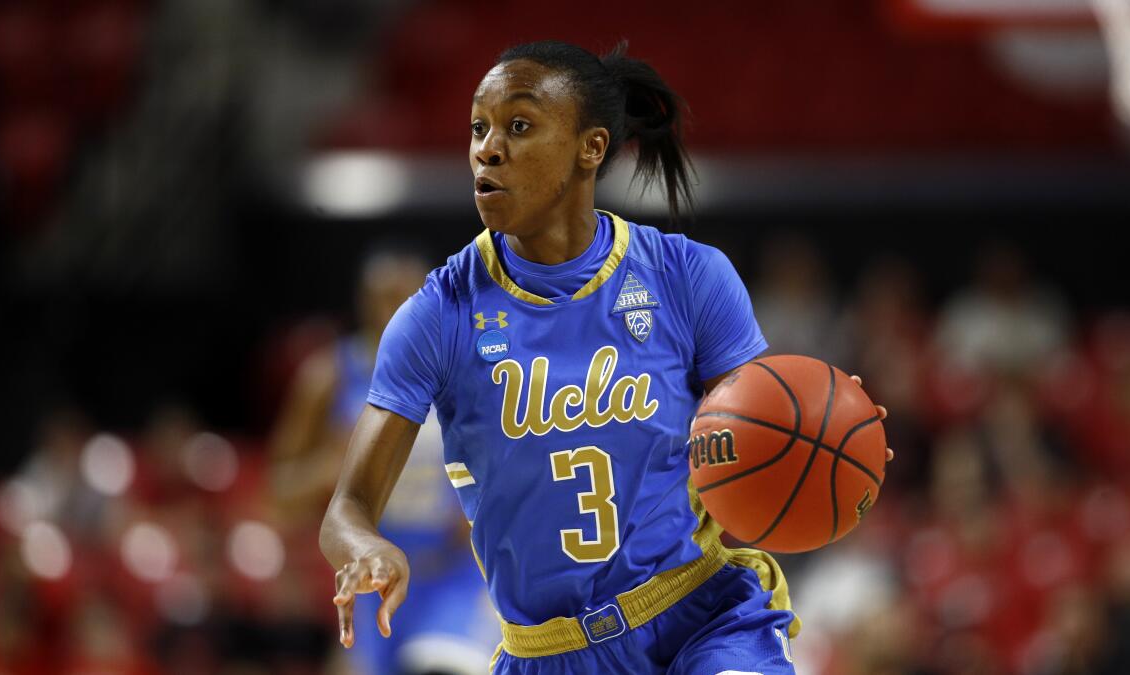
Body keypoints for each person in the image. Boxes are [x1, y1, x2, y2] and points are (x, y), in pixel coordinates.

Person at [320, 40, 892, 674]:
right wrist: (368, 546)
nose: (488, 148)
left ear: (590, 147)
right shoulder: (439, 313)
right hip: (548, 653)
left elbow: (769, 428)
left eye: (518, 125)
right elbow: (347, 508)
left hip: (699, 619)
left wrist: (832, 433)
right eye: (478, 128)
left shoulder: (687, 275)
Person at [272, 252, 498, 674]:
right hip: (368, 581)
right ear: (363, 303)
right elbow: (278, 495)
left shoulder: (466, 370)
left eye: (409, 297)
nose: (398, 310)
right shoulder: (329, 377)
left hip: (448, 575)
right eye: (385, 298)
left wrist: (480, 509)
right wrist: (326, 467)